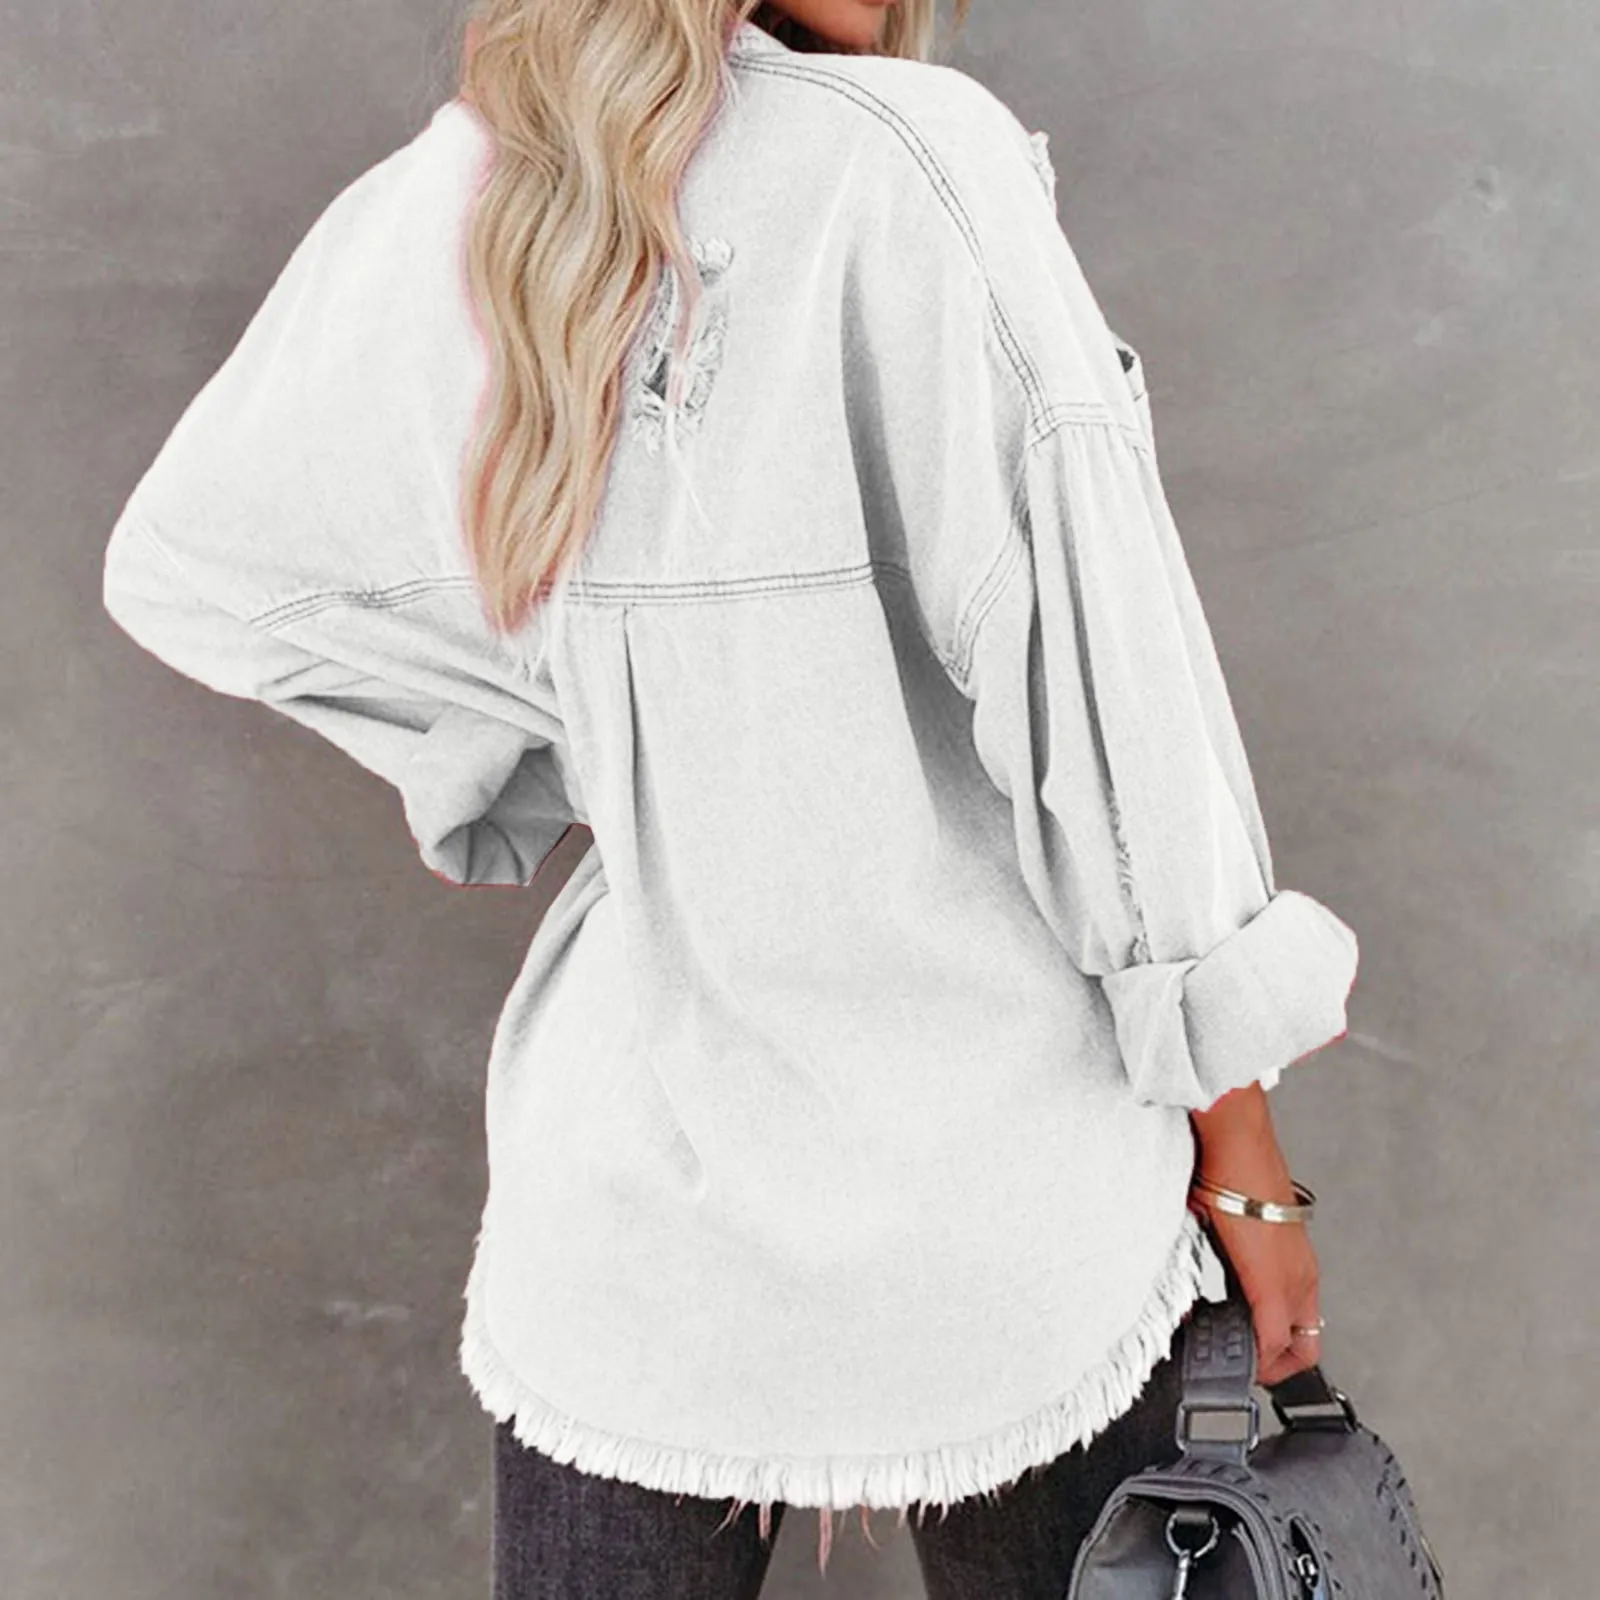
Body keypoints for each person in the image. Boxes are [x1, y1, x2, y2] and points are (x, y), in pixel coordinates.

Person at [99, 0, 1360, 1594]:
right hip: (998, 1198)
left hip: (638, 1217)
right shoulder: (919, 156)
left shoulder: (493, 177)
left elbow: (198, 565)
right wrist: (1245, 1164)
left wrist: (578, 741)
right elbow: (1116, 709)